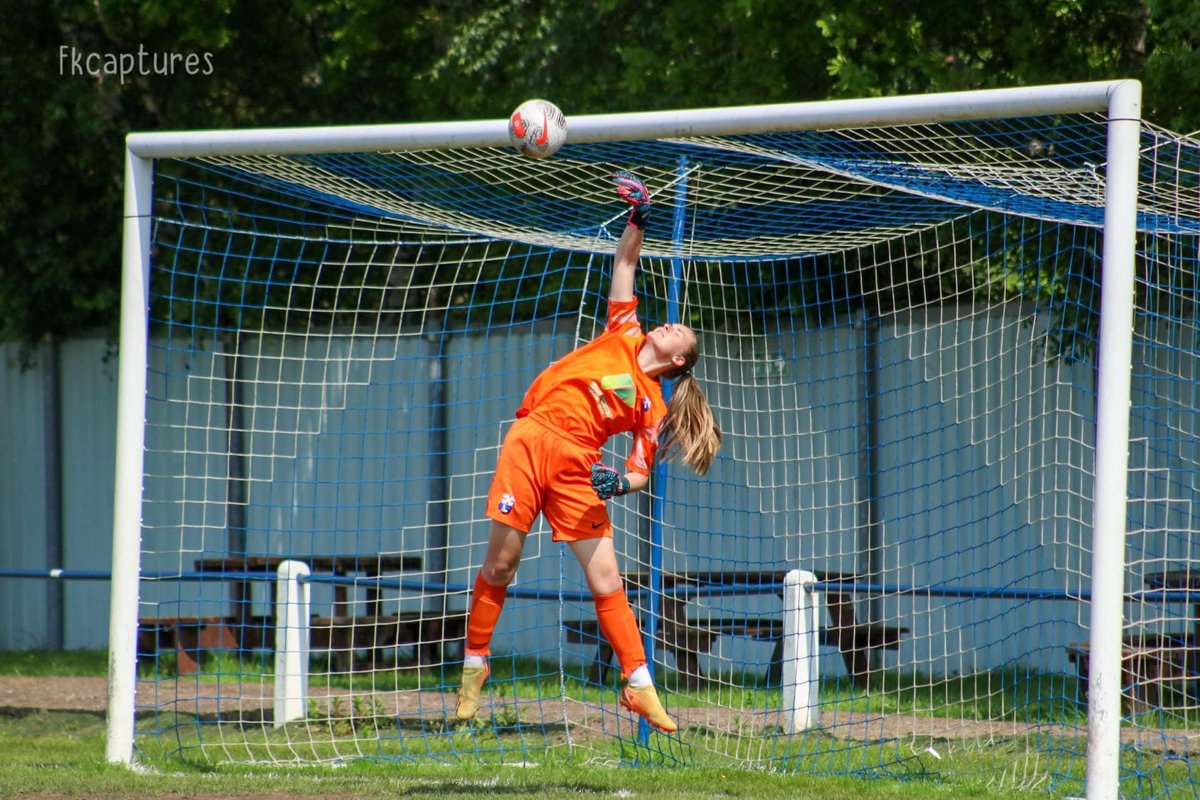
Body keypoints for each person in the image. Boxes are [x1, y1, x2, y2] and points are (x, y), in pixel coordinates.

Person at [454, 170, 722, 733]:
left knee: (608, 582)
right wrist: (638, 218)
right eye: (673, 324)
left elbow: (639, 473)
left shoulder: (653, 406)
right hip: (530, 441)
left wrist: (617, 485)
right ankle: (473, 669)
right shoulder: (624, 331)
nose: (671, 326)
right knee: (501, 564)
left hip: (579, 465)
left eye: (681, 334)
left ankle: (640, 686)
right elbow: (625, 265)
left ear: (679, 362)